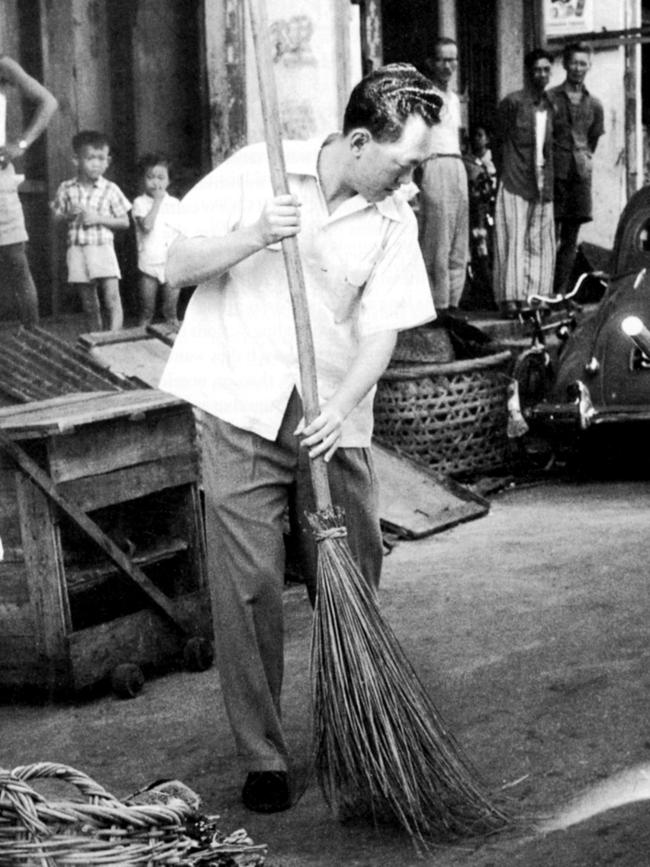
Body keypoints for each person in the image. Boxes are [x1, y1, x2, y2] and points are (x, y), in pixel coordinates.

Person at [159, 63, 441, 814]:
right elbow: (173, 261)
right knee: (247, 585)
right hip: (240, 402)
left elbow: (383, 331)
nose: (410, 178)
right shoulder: (260, 170)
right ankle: (263, 756)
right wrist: (256, 234)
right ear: (357, 140)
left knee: (351, 567)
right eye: (403, 161)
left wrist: (341, 405)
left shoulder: (394, 217)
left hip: (331, 415)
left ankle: (358, 730)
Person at [493, 48, 556, 318]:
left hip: (543, 183)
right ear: (528, 72)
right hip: (515, 179)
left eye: (546, 69)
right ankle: (511, 300)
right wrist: (505, 170)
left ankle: (536, 298)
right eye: (537, 69)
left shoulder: (550, 105)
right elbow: (497, 141)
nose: (541, 74)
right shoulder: (512, 103)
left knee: (540, 242)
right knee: (513, 239)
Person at [51, 130, 131, 332]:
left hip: (102, 247)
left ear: (108, 161)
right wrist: (68, 214)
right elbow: (56, 217)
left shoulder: (110, 189)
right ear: (76, 160)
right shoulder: (66, 188)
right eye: (90, 158)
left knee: (111, 297)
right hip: (77, 249)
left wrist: (98, 219)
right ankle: (96, 340)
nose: (96, 163)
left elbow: (125, 222)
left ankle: (114, 339)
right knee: (88, 302)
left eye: (101, 158)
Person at [0, 55, 57, 327]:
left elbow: (48, 102)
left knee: (15, 261)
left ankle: (33, 338)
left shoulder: (3, 64)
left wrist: (20, 144)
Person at [417, 38, 469, 315]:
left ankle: (453, 303)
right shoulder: (423, 95)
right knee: (436, 239)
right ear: (431, 63)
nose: (449, 65)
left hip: (456, 164)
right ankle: (435, 307)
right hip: (434, 164)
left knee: (459, 242)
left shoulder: (454, 98)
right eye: (442, 59)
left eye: (453, 60)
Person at [548, 42, 604, 296]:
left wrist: (581, 159)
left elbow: (591, 140)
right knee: (548, 237)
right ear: (565, 65)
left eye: (583, 63)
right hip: (554, 175)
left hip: (579, 177)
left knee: (569, 241)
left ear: (589, 67)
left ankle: (560, 294)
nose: (578, 68)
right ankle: (543, 292)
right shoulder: (550, 98)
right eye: (574, 63)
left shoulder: (595, 105)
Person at [132, 152, 181, 326]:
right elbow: (146, 226)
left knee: (171, 312)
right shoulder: (139, 203)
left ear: (169, 181)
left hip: (171, 263)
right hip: (149, 264)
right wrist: (157, 203)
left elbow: (181, 232)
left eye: (161, 177)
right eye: (150, 177)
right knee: (147, 311)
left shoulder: (175, 204)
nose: (156, 182)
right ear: (143, 180)